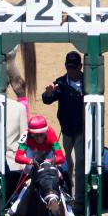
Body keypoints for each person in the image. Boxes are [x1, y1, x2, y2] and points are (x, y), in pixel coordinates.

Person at [7, 115, 75, 216]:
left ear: (46, 131)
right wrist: (30, 161)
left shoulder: (51, 133)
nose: (39, 138)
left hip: (48, 153)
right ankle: (16, 196)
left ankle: (67, 197)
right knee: (28, 169)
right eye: (35, 135)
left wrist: (51, 161)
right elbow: (18, 157)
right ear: (30, 133)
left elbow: (61, 158)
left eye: (41, 135)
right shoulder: (26, 135)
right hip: (32, 152)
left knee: (60, 172)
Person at [41, 51, 85, 194]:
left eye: (74, 68)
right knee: (68, 161)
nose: (71, 71)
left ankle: (77, 197)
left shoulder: (87, 82)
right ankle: (70, 190)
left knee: (79, 162)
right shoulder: (61, 82)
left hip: (81, 129)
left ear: (80, 67)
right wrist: (48, 93)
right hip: (66, 129)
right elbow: (48, 99)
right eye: (68, 67)